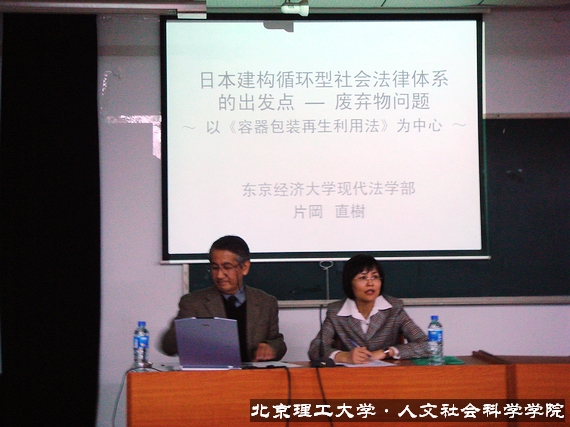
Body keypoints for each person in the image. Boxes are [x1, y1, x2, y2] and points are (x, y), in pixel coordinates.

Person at [161, 235, 286, 362]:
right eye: (215, 268)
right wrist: (184, 329)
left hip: (252, 373)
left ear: (245, 267)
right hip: (211, 373)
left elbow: (277, 342)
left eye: (227, 267)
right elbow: (168, 347)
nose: (219, 275)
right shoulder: (194, 303)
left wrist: (270, 347)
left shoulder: (266, 303)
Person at [308, 254, 429, 364]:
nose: (370, 283)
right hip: (349, 377)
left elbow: (427, 345)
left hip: (388, 375)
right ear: (349, 283)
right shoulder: (336, 311)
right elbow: (316, 349)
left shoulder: (394, 308)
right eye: (363, 278)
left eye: (375, 277)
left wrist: (387, 351)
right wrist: (344, 356)